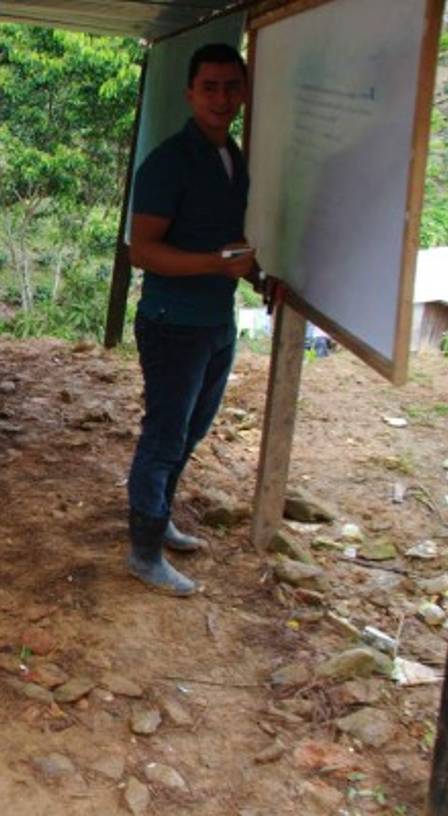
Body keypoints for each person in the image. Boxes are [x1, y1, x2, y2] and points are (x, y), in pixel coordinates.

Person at [126, 42, 265, 596]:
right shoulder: (169, 161)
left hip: (214, 320)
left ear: (243, 92)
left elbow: (224, 241)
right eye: (209, 87)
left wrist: (251, 275)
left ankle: (160, 518)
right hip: (170, 322)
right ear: (190, 93)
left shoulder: (229, 155)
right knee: (164, 435)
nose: (221, 97)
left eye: (232, 86)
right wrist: (215, 264)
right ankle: (143, 551)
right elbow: (143, 250)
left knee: (191, 430)